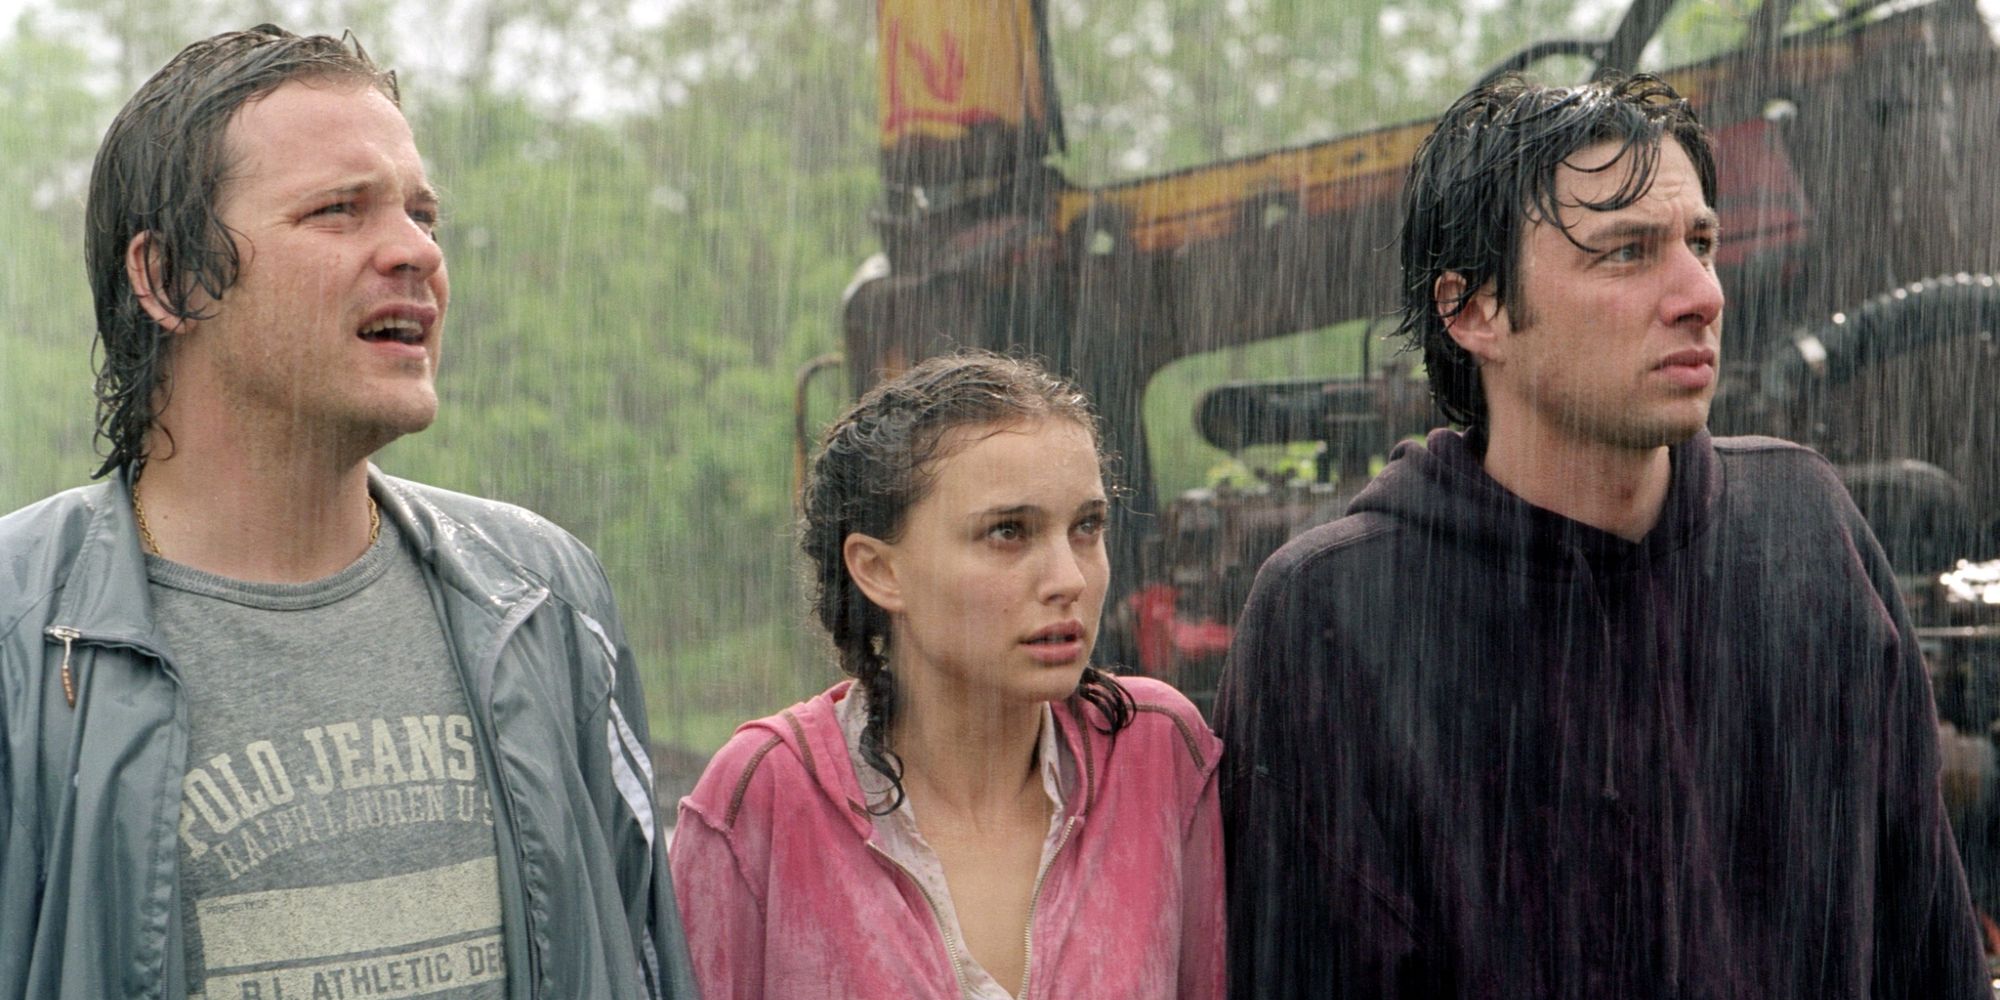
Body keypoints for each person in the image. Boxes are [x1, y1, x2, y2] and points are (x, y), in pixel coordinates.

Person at [1216, 73, 1988, 997]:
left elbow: (1931, 948)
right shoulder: (1335, 615)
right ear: (1473, 310)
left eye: (1701, 241)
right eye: (1627, 253)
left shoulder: (1807, 530)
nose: (1701, 293)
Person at [0, 25, 694, 1000]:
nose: (415, 252)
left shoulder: (543, 596)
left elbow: (642, 959)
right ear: (164, 279)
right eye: (338, 210)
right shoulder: (21, 635)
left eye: (422, 213)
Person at [670, 352, 1224, 999]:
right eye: (1008, 532)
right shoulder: (765, 796)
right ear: (880, 570)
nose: (1069, 579)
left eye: (1087, 527)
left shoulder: (1155, 753)